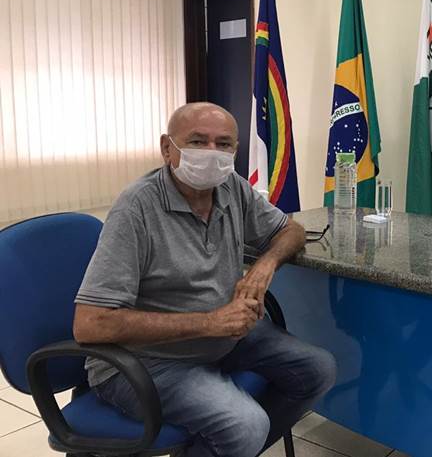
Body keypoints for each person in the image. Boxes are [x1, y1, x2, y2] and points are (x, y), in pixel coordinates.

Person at [73, 102, 336, 457]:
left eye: (223, 144)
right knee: (246, 425)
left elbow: (292, 231)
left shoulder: (231, 187)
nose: (212, 153)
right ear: (167, 148)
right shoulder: (136, 208)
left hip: (221, 340)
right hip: (145, 361)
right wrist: (209, 322)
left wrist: (263, 266)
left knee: (319, 370)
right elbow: (90, 324)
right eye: (197, 141)